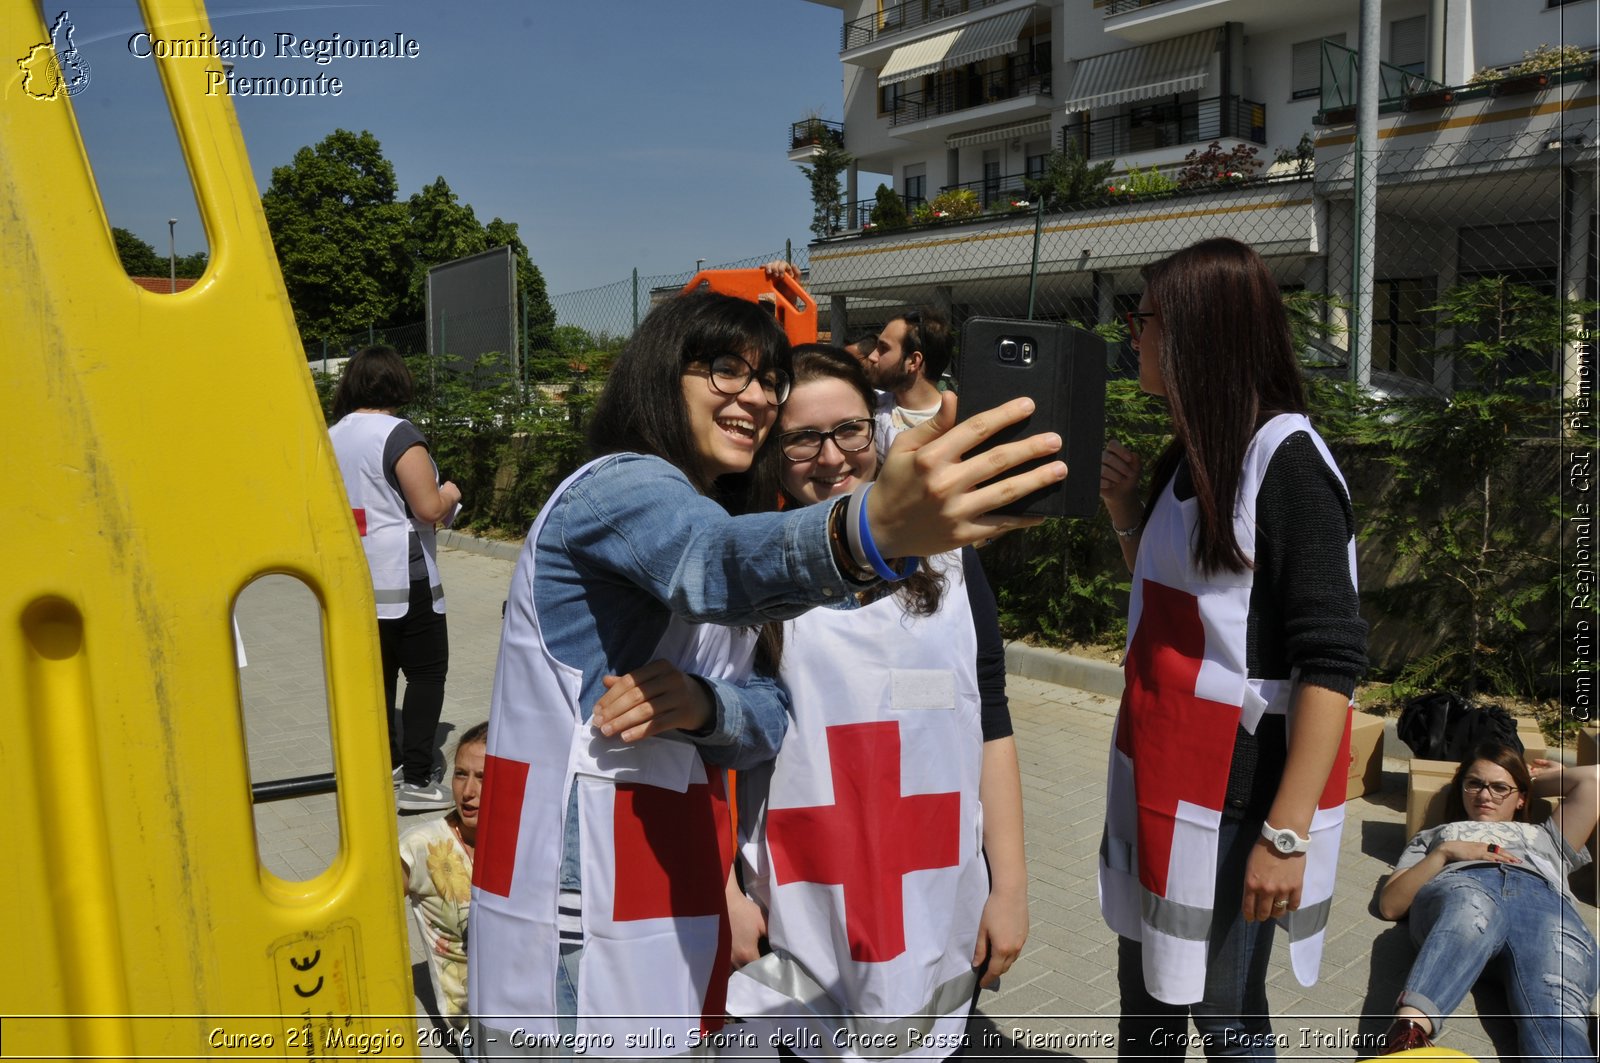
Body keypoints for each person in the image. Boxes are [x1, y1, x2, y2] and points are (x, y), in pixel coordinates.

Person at [467, 290, 1065, 1055]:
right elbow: (710, 566)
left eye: (765, 379)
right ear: (658, 373)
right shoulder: (619, 489)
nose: (753, 395)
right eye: (724, 369)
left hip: (662, 890)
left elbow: (765, 714)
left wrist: (705, 706)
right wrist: (874, 529)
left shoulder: (703, 507)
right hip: (572, 904)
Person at [1096, 237, 1367, 1060]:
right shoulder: (1199, 447)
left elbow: (1332, 660)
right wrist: (1124, 508)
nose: (1131, 337)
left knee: (1226, 1016)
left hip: (1233, 801)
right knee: (1146, 1004)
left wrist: (1284, 836)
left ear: (1194, 334)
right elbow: (1181, 598)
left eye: (1141, 320)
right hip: (1165, 785)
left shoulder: (1286, 462)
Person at [725, 346, 1028, 1057]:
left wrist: (1009, 883)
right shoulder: (744, 569)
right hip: (797, 909)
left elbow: (990, 714)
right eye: (803, 436)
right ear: (772, 449)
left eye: (850, 430)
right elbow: (704, 750)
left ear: (879, 429)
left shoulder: (952, 555)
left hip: (934, 895)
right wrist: (724, 891)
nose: (832, 457)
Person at [1376, 741, 1598, 1061]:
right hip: (1465, 890)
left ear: (1521, 798)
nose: (1484, 795)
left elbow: (1594, 780)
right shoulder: (1437, 836)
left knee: (1556, 1009)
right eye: (1474, 783)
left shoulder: (1548, 836)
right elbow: (1390, 905)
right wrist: (1445, 853)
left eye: (1499, 788)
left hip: (1543, 908)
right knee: (1471, 908)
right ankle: (1407, 1034)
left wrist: (1540, 780)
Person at [328, 346, 461, 811]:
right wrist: (451, 492)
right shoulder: (398, 434)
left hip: (354, 577)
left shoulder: (332, 435)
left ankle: (386, 764)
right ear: (398, 383)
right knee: (426, 674)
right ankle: (420, 782)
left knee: (377, 675)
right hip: (405, 578)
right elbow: (427, 509)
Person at [399, 721, 487, 1030]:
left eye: (484, 777)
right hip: (477, 1022)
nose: (468, 792)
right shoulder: (423, 846)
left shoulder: (531, 838)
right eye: (461, 774)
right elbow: (367, 910)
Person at [867, 308, 952, 459]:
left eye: (883, 348)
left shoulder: (954, 424)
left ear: (913, 361)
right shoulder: (870, 406)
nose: (872, 356)